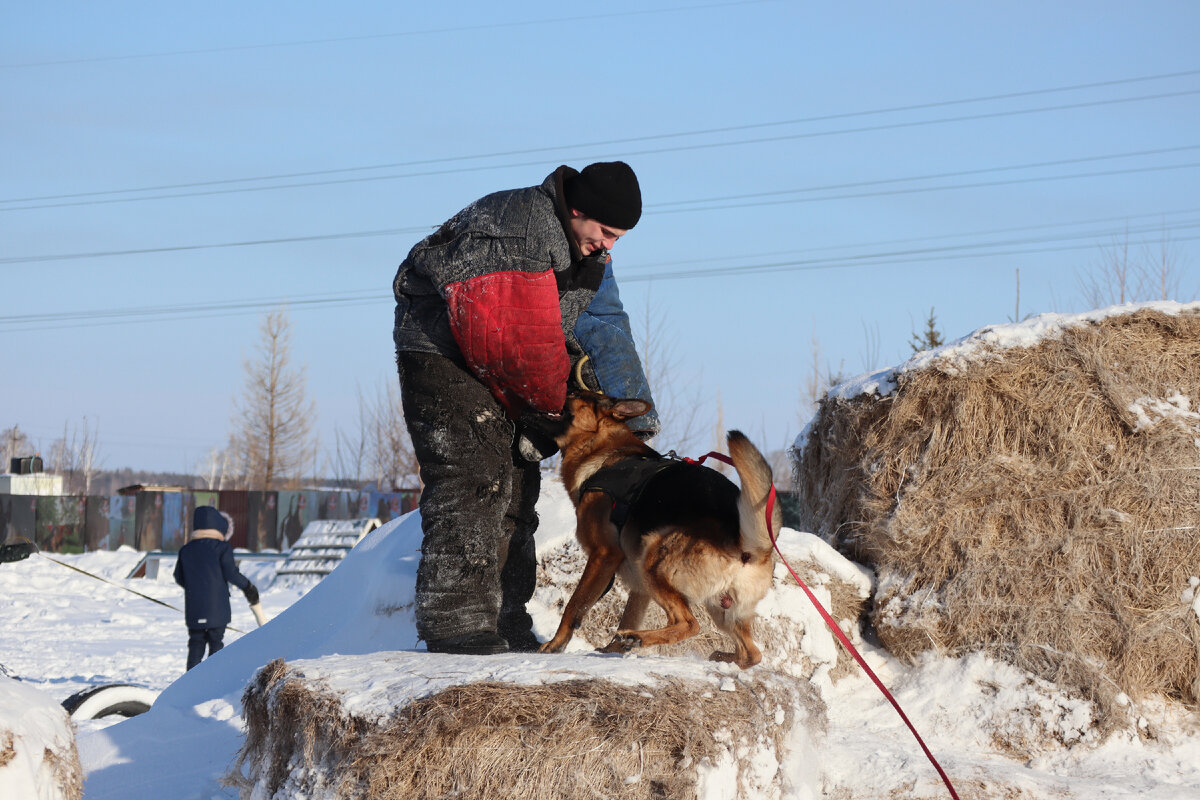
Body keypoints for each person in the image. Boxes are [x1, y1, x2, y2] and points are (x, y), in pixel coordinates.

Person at [392, 161, 658, 655]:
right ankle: (457, 625)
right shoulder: (521, 228)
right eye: (606, 233)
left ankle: (505, 619)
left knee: (518, 487)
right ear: (578, 209)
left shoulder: (587, 249)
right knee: (474, 478)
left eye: (618, 239)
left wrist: (632, 424)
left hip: (507, 363)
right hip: (444, 356)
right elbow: (518, 343)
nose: (609, 246)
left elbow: (604, 320)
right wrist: (563, 414)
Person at [173, 506, 259, 670]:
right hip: (217, 607)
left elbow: (178, 576)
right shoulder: (222, 548)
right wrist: (248, 587)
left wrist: (194, 588)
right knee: (216, 643)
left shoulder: (186, 550)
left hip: (194, 607)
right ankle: (213, 679)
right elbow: (231, 573)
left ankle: (190, 681)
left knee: (195, 643)